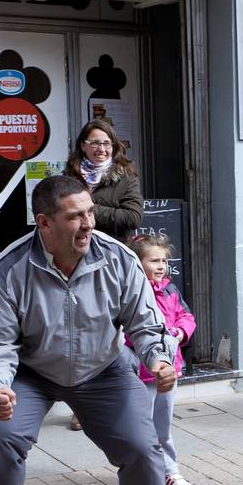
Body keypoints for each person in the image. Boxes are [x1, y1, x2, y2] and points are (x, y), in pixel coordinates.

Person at [0, 175, 179, 485]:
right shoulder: (9, 269)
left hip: (103, 367)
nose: (88, 224)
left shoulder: (118, 258)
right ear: (44, 223)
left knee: (139, 443)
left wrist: (158, 358)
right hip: (31, 371)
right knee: (0, 434)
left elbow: (145, 323)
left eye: (90, 212)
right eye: (75, 216)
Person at [61, 117, 142, 430]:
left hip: (110, 263)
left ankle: (114, 394)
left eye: (106, 143)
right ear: (83, 145)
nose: (100, 148)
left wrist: (90, 209)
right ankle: (81, 404)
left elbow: (133, 215)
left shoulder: (125, 177)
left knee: (111, 329)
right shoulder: (69, 177)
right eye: (94, 142)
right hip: (73, 260)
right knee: (80, 328)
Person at [129, 232, 197, 485]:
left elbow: (186, 315)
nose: (161, 266)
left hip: (170, 370)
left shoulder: (169, 289)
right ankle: (140, 474)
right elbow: (125, 331)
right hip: (142, 373)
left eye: (163, 261)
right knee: (140, 428)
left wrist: (180, 332)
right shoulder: (133, 291)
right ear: (138, 263)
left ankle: (169, 471)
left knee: (163, 427)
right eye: (154, 261)